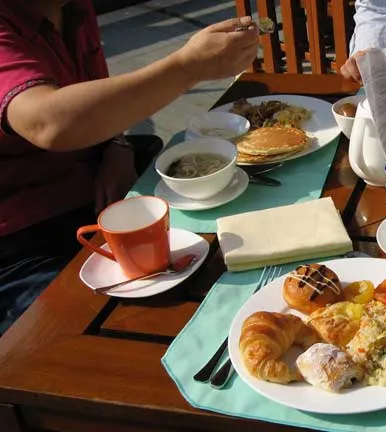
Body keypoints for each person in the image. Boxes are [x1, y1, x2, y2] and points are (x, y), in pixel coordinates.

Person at [0, 0, 261, 334]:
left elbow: (98, 101)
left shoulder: (72, 9)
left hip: (104, 200)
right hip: (23, 243)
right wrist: (188, 66)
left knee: (231, 279)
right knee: (101, 338)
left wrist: (117, 146)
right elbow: (49, 122)